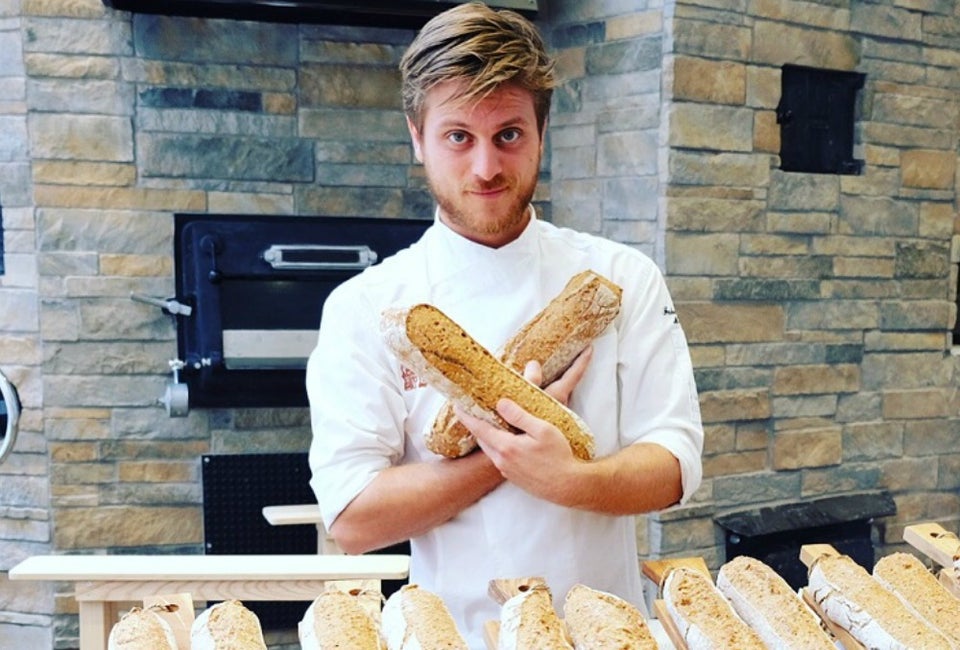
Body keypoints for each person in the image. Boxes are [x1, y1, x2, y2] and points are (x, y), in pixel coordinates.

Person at [306, 2, 704, 646]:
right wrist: (511, 454)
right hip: (452, 636)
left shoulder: (622, 279)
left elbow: (676, 462)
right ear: (418, 137)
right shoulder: (367, 306)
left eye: (509, 135)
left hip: (603, 632)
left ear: (542, 132)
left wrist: (570, 479)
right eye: (458, 136)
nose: (486, 167)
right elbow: (353, 518)